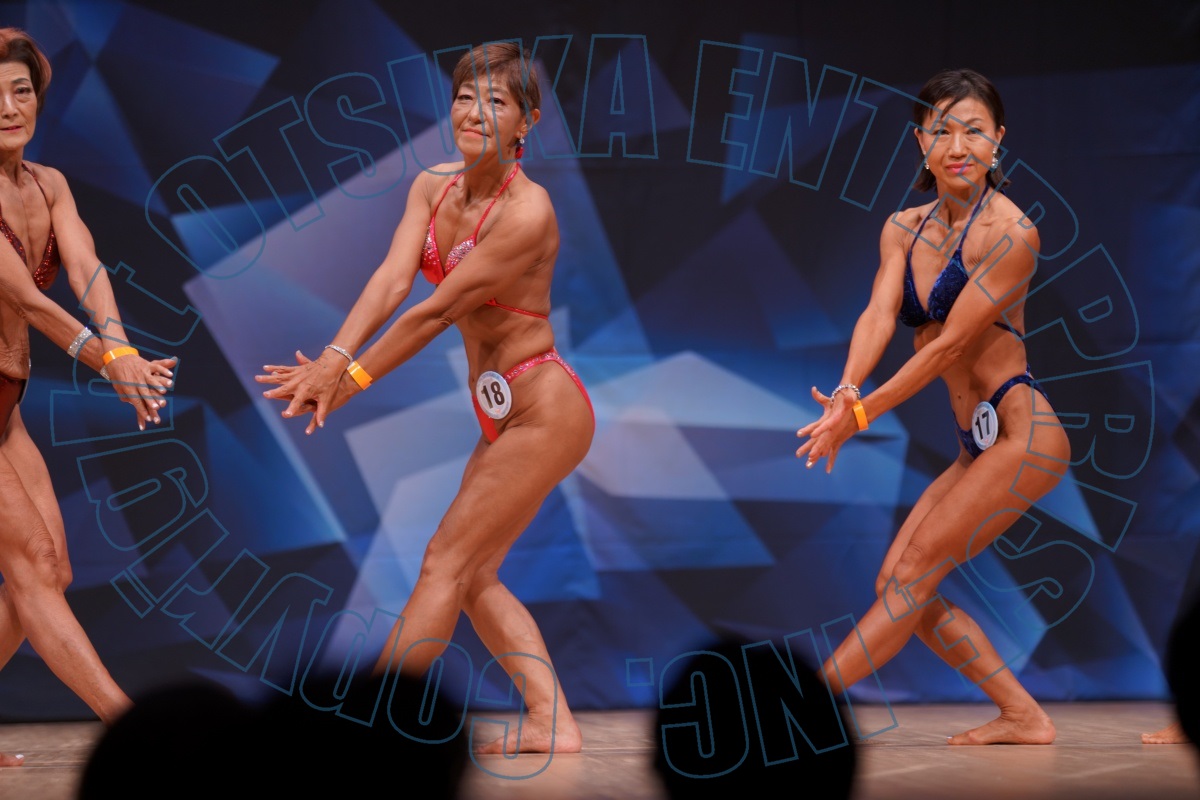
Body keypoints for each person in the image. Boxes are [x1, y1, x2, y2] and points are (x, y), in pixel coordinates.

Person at [256, 42, 594, 755]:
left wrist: (345, 382)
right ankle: (551, 720)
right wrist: (334, 356)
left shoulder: (527, 212)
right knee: (472, 575)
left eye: (495, 101)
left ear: (528, 121)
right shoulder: (433, 187)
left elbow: (434, 313)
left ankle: (371, 726)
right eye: (465, 96)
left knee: (445, 560)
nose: (474, 112)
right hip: (502, 413)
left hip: (545, 408)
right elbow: (391, 281)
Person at [795, 68, 1070, 745]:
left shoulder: (1012, 233)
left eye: (974, 130)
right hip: (977, 445)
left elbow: (949, 347)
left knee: (912, 576)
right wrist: (848, 390)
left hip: (1023, 436)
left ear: (998, 140)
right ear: (920, 141)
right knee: (899, 583)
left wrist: (860, 417)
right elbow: (878, 313)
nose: (958, 145)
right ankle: (1023, 715)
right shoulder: (902, 228)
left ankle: (800, 712)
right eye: (942, 130)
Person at [0, 28, 176, 767]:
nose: (8, 107)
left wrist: (123, 348)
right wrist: (108, 363)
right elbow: (26, 299)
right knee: (33, 563)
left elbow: (86, 268)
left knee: (53, 572)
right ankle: (137, 731)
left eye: (20, 91)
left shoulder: (49, 185)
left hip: (5, 405)